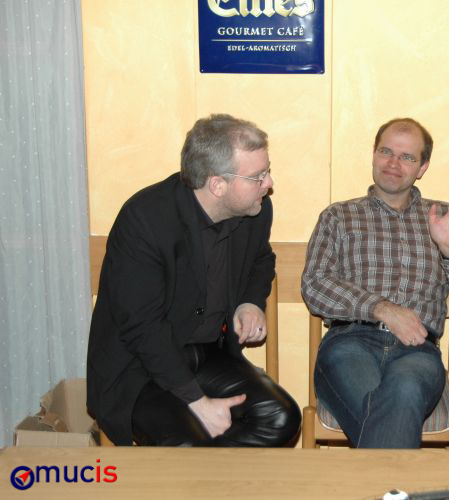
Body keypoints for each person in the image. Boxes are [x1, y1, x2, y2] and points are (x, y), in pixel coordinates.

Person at [87, 114, 301, 446]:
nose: (269, 183)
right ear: (217, 185)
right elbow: (142, 329)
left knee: (281, 418)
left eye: (267, 171)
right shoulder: (145, 220)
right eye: (257, 176)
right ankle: (208, 471)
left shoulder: (255, 210)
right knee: (189, 445)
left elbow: (262, 260)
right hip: (140, 368)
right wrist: (198, 403)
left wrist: (250, 302)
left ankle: (214, 474)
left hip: (211, 354)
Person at [301, 118, 449, 449]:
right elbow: (315, 285)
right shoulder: (338, 216)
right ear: (373, 154)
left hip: (418, 351)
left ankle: (384, 479)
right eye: (386, 152)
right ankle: (399, 479)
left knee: (404, 390)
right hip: (349, 343)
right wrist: (382, 309)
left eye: (407, 157)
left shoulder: (446, 218)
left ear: (422, 167)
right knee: (393, 407)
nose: (393, 163)